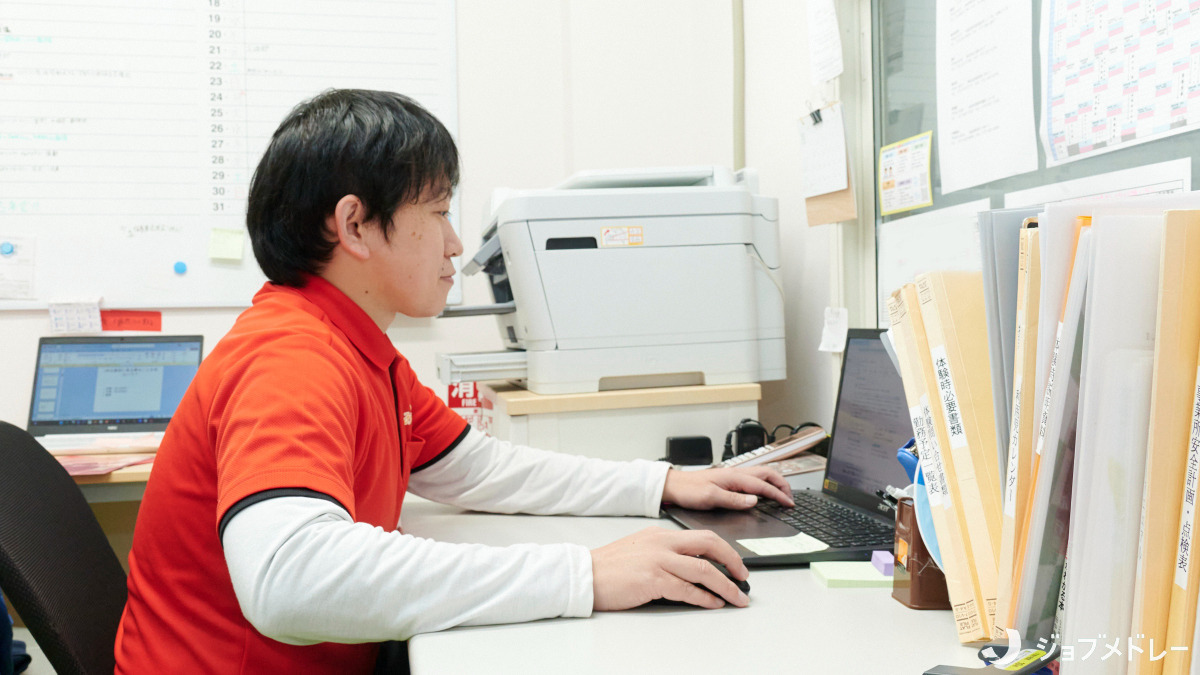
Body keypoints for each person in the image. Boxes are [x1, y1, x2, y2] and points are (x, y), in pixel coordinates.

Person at [113, 89, 794, 674]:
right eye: (438, 211)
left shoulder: (355, 347)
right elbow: (291, 577)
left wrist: (660, 483)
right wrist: (583, 573)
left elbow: (480, 469)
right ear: (355, 224)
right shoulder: (290, 356)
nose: (456, 243)